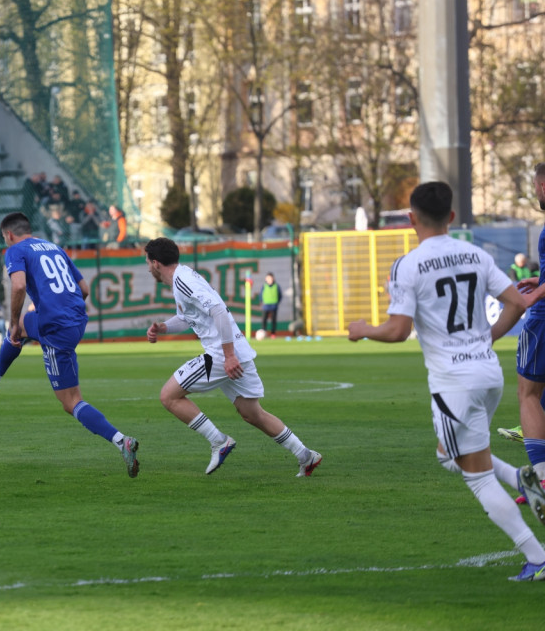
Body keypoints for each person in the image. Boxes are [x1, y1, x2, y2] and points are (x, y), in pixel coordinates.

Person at [348, 181, 545, 581]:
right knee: (450, 453)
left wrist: (364, 328)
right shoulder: (474, 253)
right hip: (488, 375)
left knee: (475, 476)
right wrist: (487, 337)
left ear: (411, 218)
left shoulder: (408, 264)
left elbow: (399, 330)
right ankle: (521, 477)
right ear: (452, 217)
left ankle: (537, 557)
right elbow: (517, 302)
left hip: (454, 382)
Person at [0, 212, 141, 477]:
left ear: (9, 235)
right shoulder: (53, 247)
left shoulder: (15, 250)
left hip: (56, 327)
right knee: (25, 327)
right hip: (76, 320)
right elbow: (83, 289)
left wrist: (13, 321)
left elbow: (19, 286)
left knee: (71, 402)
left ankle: (121, 441)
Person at [144, 236, 322, 477]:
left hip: (221, 353)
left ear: (155, 263)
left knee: (168, 396)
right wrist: (163, 328)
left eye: (147, 262)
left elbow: (218, 312)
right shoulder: (184, 277)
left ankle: (219, 441)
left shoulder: (183, 280)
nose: (147, 267)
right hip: (236, 351)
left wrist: (228, 356)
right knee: (252, 413)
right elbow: (187, 317)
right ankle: (305, 455)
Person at [512, 162, 545, 528]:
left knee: (528, 395)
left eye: (536, 185)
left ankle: (540, 480)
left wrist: (537, 293)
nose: (535, 192)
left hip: (544, 321)